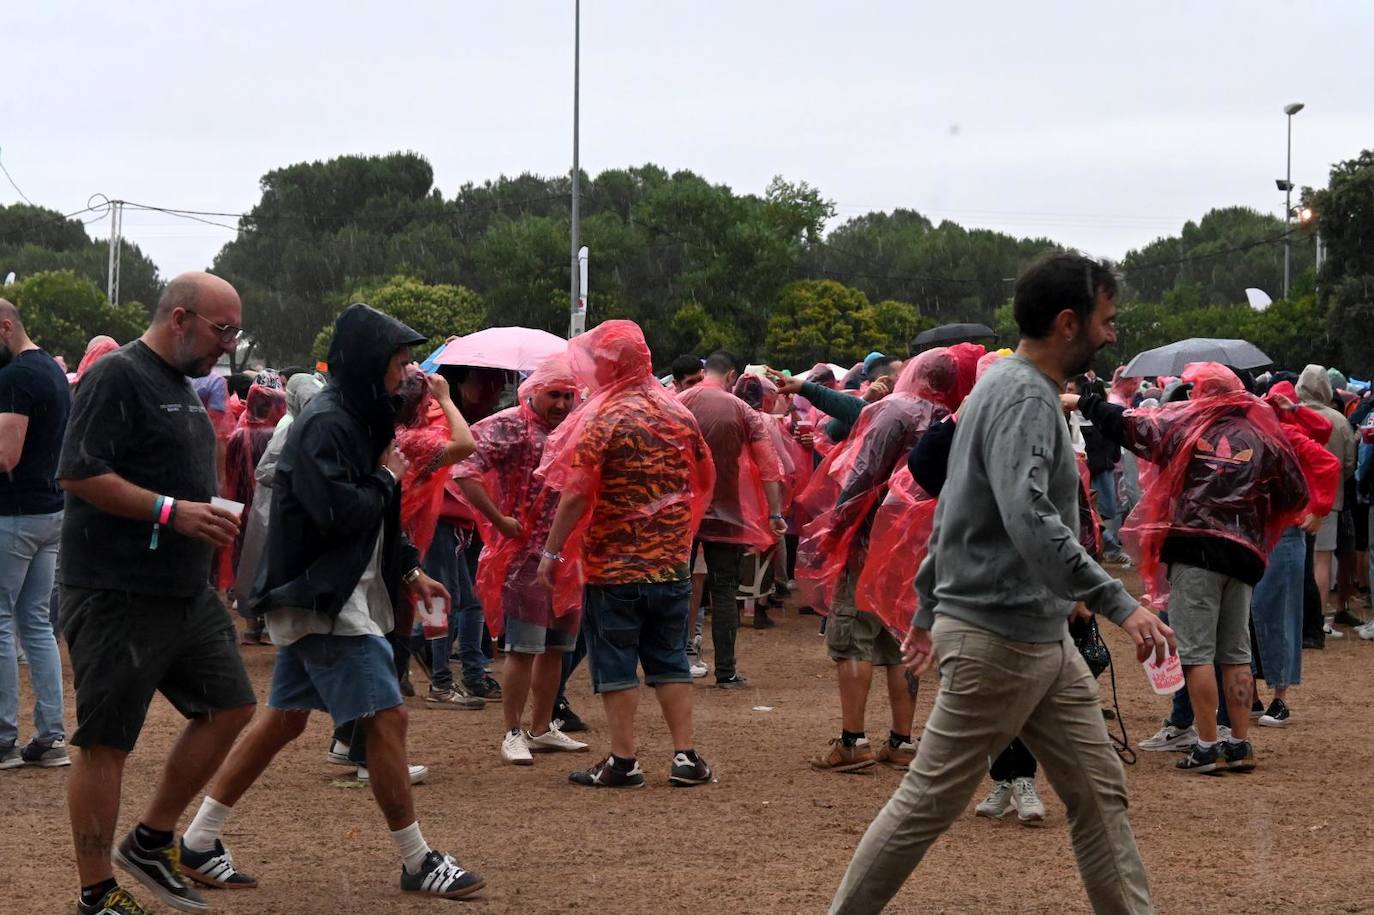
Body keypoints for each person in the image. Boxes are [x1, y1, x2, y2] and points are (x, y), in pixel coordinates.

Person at [829, 252, 1172, 915]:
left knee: (1099, 793)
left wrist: (929, 607)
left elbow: (958, 505)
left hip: (1030, 635)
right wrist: (1119, 604)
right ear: (1068, 322)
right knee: (927, 800)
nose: (1112, 334)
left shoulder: (999, 386)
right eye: (1106, 320)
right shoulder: (1022, 395)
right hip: (1002, 637)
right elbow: (1028, 515)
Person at [180, 303, 485, 900]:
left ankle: (196, 840)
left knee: (285, 720)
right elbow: (337, 511)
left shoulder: (359, 416)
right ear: (371, 363)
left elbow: (376, 513)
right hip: (325, 596)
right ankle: (418, 861)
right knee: (388, 719)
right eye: (399, 363)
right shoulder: (329, 421)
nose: (407, 376)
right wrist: (389, 479)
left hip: (333, 592)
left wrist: (409, 568)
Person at [57, 272, 259, 915]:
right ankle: (97, 892)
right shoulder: (117, 373)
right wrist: (173, 512)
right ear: (180, 318)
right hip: (115, 589)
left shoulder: (179, 383)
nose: (229, 345)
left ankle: (149, 840)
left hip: (182, 589)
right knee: (106, 740)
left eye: (234, 332)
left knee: (230, 705)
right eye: (221, 329)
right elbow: (79, 472)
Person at [1073, 363, 1309, 773]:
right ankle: (1238, 744)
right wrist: (1253, 511)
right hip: (1243, 553)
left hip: (1196, 549)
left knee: (1197, 654)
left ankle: (1204, 745)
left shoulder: (1186, 428)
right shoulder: (1264, 437)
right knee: (1235, 652)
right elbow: (1295, 492)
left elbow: (1130, 426)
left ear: (1204, 393)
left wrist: (1083, 401)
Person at [536, 320, 716, 789]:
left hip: (614, 567)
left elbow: (575, 495)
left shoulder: (603, 416)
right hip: (671, 565)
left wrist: (551, 554)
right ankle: (685, 757)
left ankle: (624, 761)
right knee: (670, 659)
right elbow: (701, 475)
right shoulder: (678, 413)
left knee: (615, 664)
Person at [800, 349, 962, 774]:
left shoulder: (895, 410)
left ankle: (853, 741)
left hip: (872, 539)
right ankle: (901, 740)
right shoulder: (952, 415)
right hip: (917, 547)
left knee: (853, 635)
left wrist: (835, 527)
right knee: (898, 640)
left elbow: (864, 473)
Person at [454, 354, 588, 764]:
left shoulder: (575, 427)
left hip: (567, 554)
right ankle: (512, 731)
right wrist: (497, 519)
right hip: (525, 555)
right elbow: (463, 467)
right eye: (555, 395)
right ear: (534, 391)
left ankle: (543, 726)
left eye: (569, 395)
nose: (563, 404)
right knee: (523, 647)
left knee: (556, 647)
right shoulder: (508, 425)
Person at [680, 351, 786, 685]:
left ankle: (670, 665)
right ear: (731, 376)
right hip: (727, 511)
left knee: (675, 586)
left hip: (680, 510)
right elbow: (769, 465)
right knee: (724, 589)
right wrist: (775, 513)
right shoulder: (741, 410)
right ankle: (726, 671)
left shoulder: (678, 402)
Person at [0, 298, 71, 770]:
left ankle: (3, 737)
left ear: (5, 328)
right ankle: (51, 735)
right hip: (49, 511)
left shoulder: (14, 378)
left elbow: (6, 455)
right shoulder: (51, 370)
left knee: (1, 622)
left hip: (15, 514)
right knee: (37, 624)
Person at [390, 365, 480, 710]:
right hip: (423, 530)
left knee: (444, 598)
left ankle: (412, 663)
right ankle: (439, 676)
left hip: (422, 529)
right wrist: (444, 398)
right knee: (440, 597)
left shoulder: (405, 431)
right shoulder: (414, 437)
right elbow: (465, 444)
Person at [225, 375, 287, 644]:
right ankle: (271, 624)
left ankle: (251, 626)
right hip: (272, 510)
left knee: (245, 563)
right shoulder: (279, 435)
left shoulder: (238, 436)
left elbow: (229, 478)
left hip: (242, 509)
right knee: (272, 564)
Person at [1297, 365, 1358, 634]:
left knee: (1297, 560)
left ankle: (1296, 617)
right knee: (1322, 559)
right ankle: (1319, 620)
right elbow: (1348, 463)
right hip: (1328, 500)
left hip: (1295, 501)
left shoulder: (1290, 414)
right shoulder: (1338, 420)